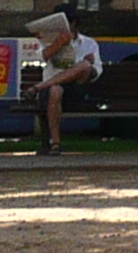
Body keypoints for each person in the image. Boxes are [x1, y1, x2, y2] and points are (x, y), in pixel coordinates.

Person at [26, 11, 104, 155]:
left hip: (75, 91)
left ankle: (38, 87)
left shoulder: (88, 43)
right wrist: (58, 44)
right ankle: (55, 143)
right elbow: (40, 58)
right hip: (50, 92)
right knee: (55, 90)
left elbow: (97, 71)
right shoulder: (48, 41)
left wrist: (88, 68)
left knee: (85, 65)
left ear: (72, 23)